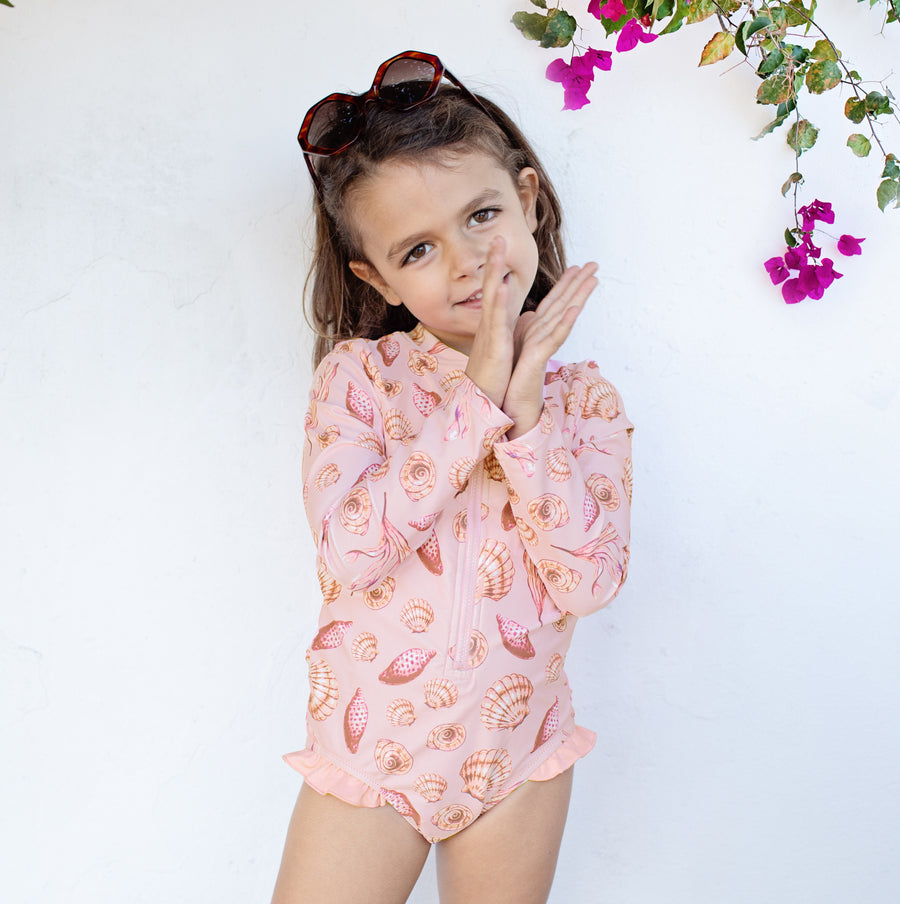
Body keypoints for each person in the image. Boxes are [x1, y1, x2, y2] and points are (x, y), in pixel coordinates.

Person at [271, 50, 633, 904]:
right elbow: (353, 551)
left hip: (519, 753)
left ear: (528, 200)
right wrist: (477, 399)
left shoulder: (584, 401)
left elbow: (589, 582)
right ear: (377, 276)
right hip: (374, 757)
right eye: (420, 248)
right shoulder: (360, 381)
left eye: (482, 215)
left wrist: (528, 413)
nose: (467, 261)